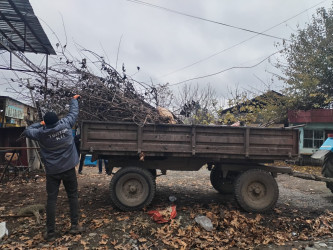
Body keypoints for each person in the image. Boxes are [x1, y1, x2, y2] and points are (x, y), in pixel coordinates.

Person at [23, 95, 84, 241]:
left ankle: (50, 233)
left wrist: (40, 124)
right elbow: (73, 113)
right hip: (69, 169)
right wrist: (74, 100)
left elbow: (27, 130)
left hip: (52, 172)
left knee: (52, 200)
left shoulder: (40, 133)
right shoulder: (65, 124)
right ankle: (74, 226)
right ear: (57, 120)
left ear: (46, 123)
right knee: (73, 196)